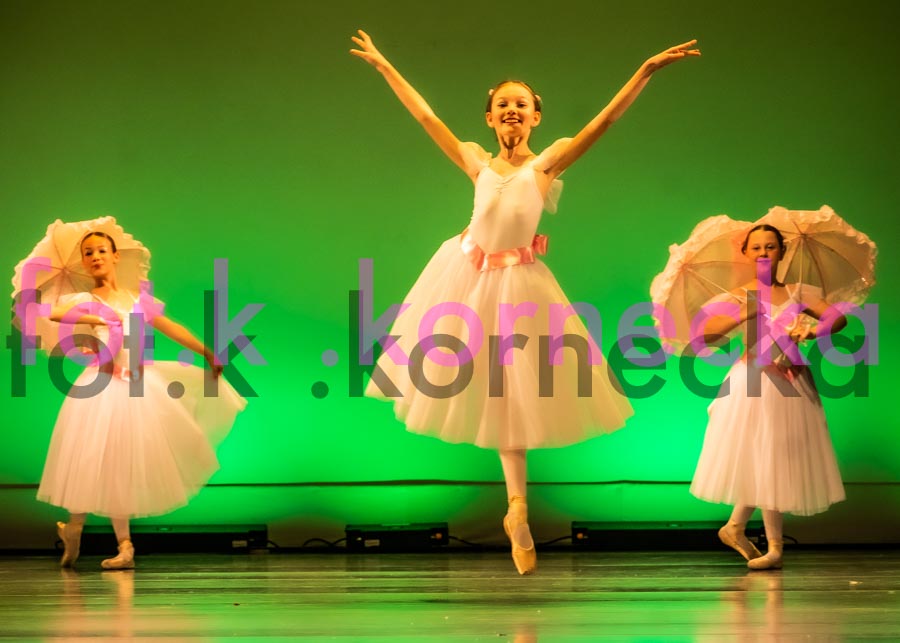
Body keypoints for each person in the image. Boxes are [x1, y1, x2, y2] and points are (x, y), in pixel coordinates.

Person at [351, 29, 699, 574]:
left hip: (519, 286)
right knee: (489, 392)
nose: (511, 109)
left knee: (513, 397)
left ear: (535, 117)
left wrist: (645, 71)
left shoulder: (547, 163)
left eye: (521, 104)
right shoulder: (475, 161)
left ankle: (518, 507)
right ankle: (516, 505)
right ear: (490, 118)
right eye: (502, 104)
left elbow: (602, 123)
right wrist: (384, 66)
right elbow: (425, 117)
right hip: (465, 278)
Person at [36, 230, 246, 569]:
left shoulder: (137, 299)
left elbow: (170, 326)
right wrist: (98, 318)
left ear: (115, 256)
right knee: (88, 458)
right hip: (100, 385)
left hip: (135, 385)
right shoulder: (86, 300)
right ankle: (74, 528)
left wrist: (206, 351)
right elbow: (57, 313)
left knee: (120, 465)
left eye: (101, 250)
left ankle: (124, 546)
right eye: (88, 253)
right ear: (84, 263)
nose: (95, 256)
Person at [690, 224, 847, 570]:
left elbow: (837, 319)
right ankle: (772, 546)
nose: (763, 252)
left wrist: (812, 330)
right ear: (746, 252)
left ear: (782, 251)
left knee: (776, 457)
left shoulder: (797, 291)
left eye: (771, 246)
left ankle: (737, 527)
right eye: (757, 247)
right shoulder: (739, 295)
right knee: (766, 454)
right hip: (754, 381)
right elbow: (704, 335)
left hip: (793, 380)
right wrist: (743, 314)